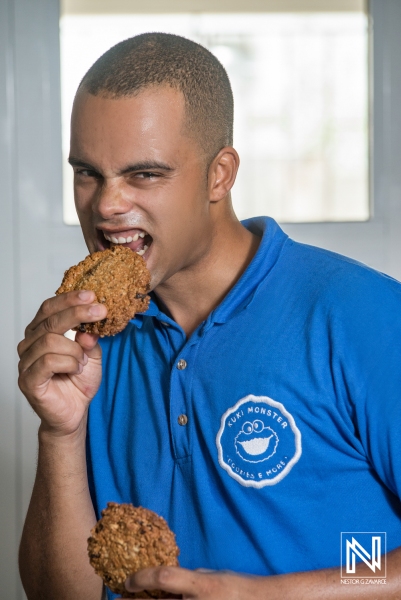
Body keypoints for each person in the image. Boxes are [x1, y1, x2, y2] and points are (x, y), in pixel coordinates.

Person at [17, 32, 401, 600]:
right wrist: (60, 432)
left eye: (143, 174)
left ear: (219, 175)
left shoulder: (363, 316)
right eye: (88, 172)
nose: (105, 205)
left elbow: (372, 565)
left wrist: (273, 594)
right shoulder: (89, 346)